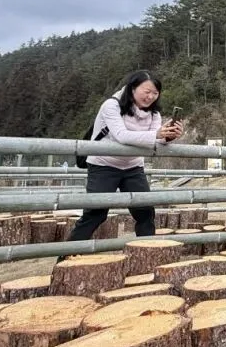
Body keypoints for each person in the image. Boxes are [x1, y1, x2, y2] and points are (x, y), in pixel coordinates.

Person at [68, 70, 183, 241]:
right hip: (103, 164)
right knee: (96, 213)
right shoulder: (111, 106)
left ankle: (147, 250)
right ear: (132, 88)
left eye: (155, 93)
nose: (150, 97)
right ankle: (68, 253)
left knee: (145, 212)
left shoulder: (154, 114)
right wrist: (157, 135)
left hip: (132, 166)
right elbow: (121, 135)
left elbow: (155, 142)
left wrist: (168, 137)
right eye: (147, 91)